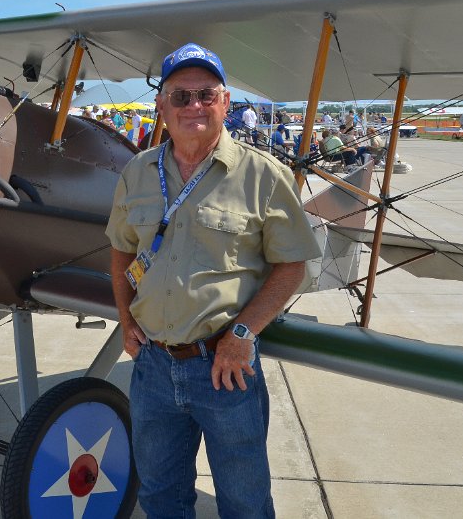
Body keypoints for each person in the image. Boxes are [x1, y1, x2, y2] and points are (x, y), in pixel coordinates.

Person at [107, 42, 322, 518]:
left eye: (206, 94)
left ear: (225, 103)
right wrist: (125, 319)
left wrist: (242, 334)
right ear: (161, 106)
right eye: (180, 96)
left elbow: (293, 266)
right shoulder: (137, 172)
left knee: (245, 503)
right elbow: (122, 250)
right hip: (152, 366)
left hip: (224, 367)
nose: (194, 106)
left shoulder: (264, 175)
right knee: (160, 496)